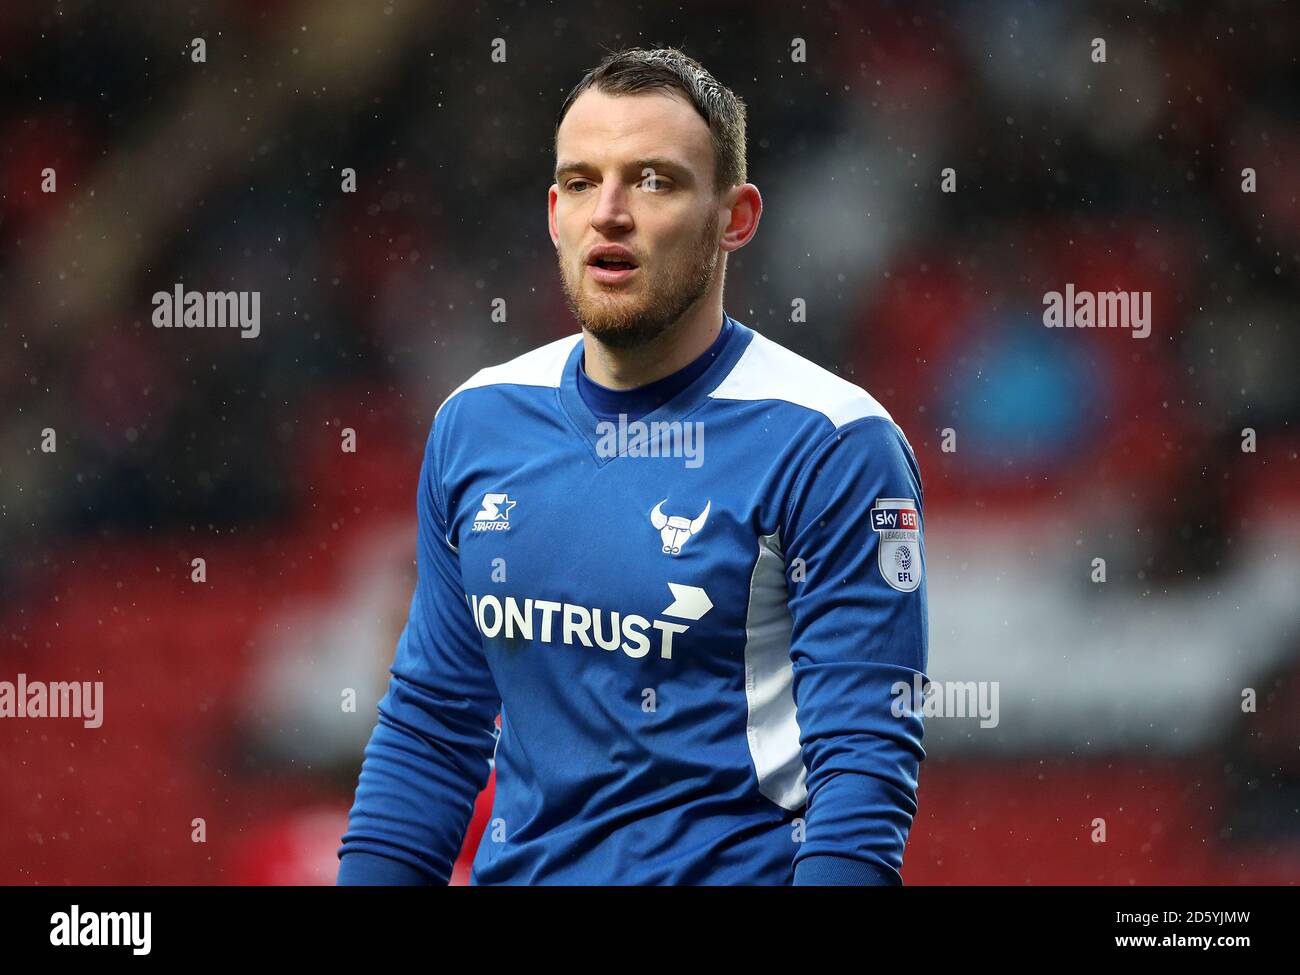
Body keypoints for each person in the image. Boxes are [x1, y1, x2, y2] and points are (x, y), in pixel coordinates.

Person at [337, 46, 929, 885]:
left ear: (736, 216)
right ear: (552, 211)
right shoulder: (477, 422)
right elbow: (431, 728)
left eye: (654, 180)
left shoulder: (831, 442)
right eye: (582, 182)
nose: (608, 212)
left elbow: (864, 767)